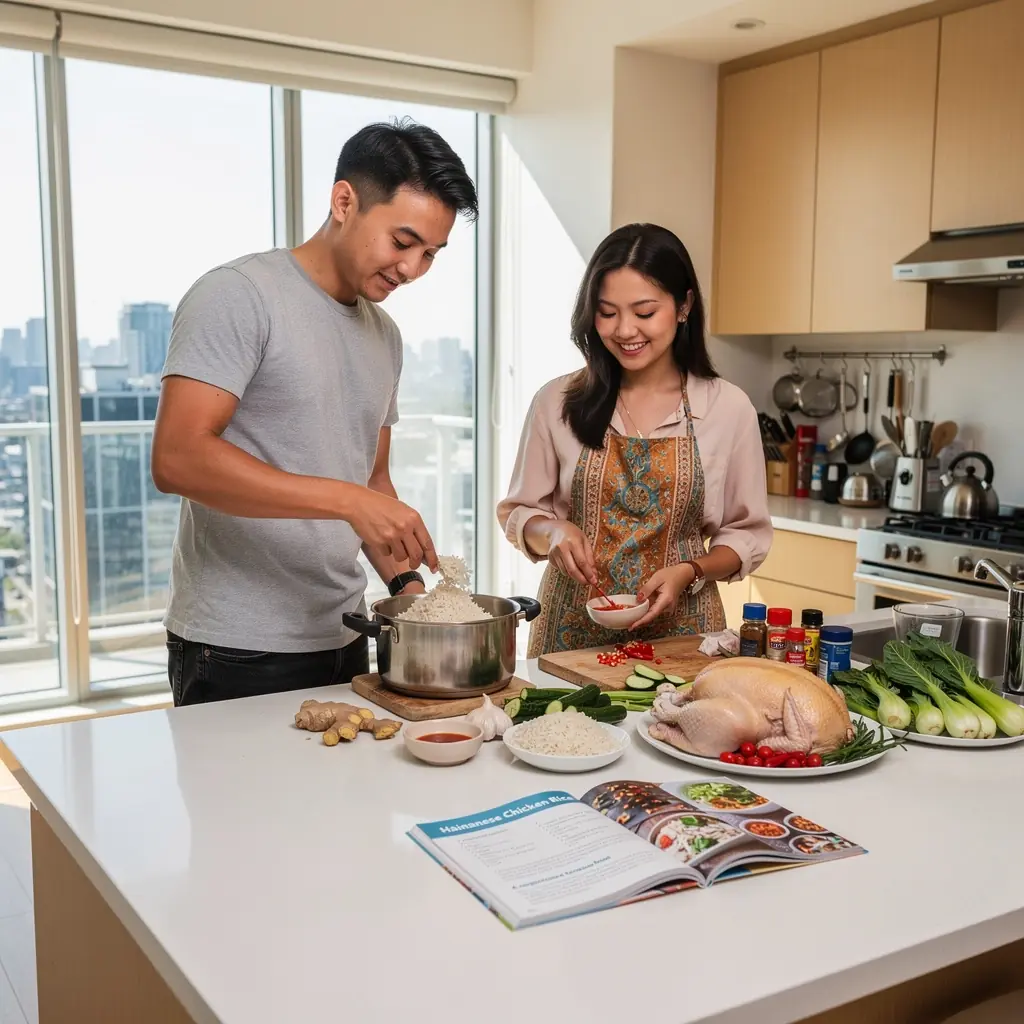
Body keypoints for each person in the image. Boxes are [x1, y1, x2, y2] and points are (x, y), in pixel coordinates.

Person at [152, 118, 478, 705]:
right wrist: (349, 500)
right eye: (402, 242)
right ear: (344, 201)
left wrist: (410, 592)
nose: (413, 269)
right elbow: (178, 459)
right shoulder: (238, 294)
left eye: (431, 253)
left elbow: (371, 482)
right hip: (237, 645)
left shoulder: (386, 335)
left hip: (347, 633)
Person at [497, 223, 772, 657]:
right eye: (607, 312)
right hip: (568, 639)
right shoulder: (557, 401)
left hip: (683, 637)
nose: (625, 330)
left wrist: (690, 570)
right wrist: (551, 532)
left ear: (684, 306)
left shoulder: (728, 408)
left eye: (644, 313)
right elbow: (518, 514)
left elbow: (746, 535)